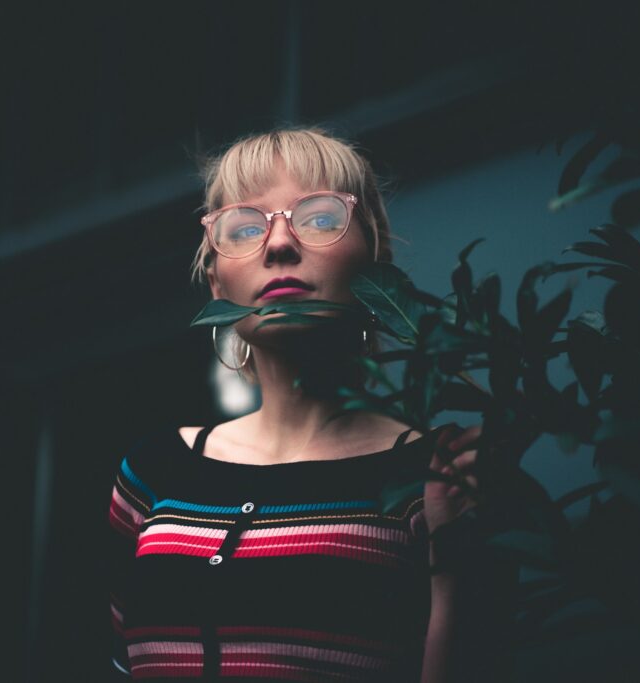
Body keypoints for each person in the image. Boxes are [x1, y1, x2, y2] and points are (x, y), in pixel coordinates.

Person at [107, 127, 510, 681]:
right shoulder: (154, 472)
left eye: (320, 218)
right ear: (217, 284)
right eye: (245, 228)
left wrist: (452, 561)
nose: (278, 244)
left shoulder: (433, 477)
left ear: (375, 263)